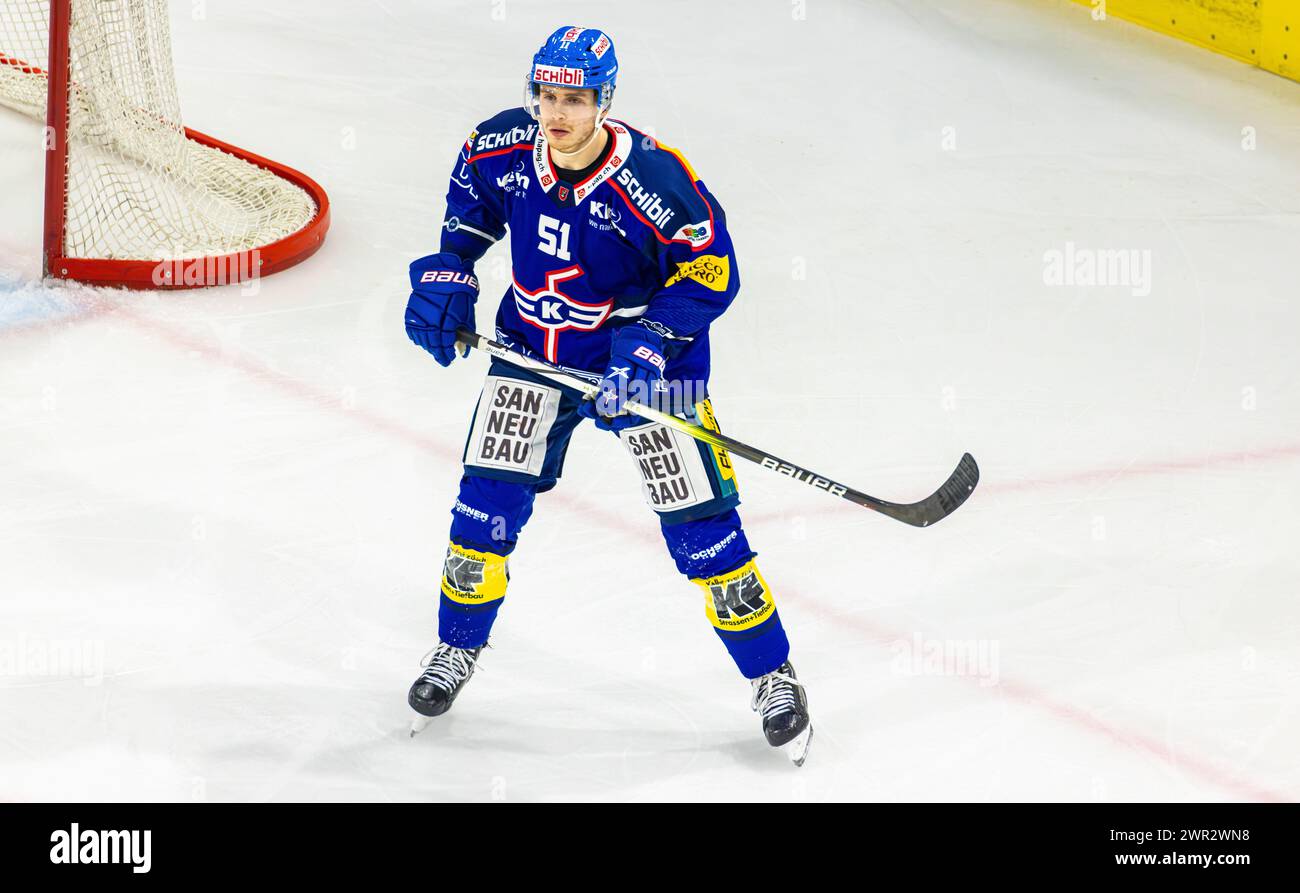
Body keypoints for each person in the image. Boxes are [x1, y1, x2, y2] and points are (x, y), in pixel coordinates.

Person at [403, 25, 812, 763]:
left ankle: (773, 675)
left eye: (575, 99)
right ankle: (454, 649)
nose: (557, 114)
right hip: (533, 350)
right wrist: (448, 274)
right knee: (482, 511)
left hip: (653, 368)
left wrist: (650, 346)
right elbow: (470, 210)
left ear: (605, 100)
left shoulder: (654, 180)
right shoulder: (497, 148)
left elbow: (712, 270)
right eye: (546, 96)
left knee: (704, 533)